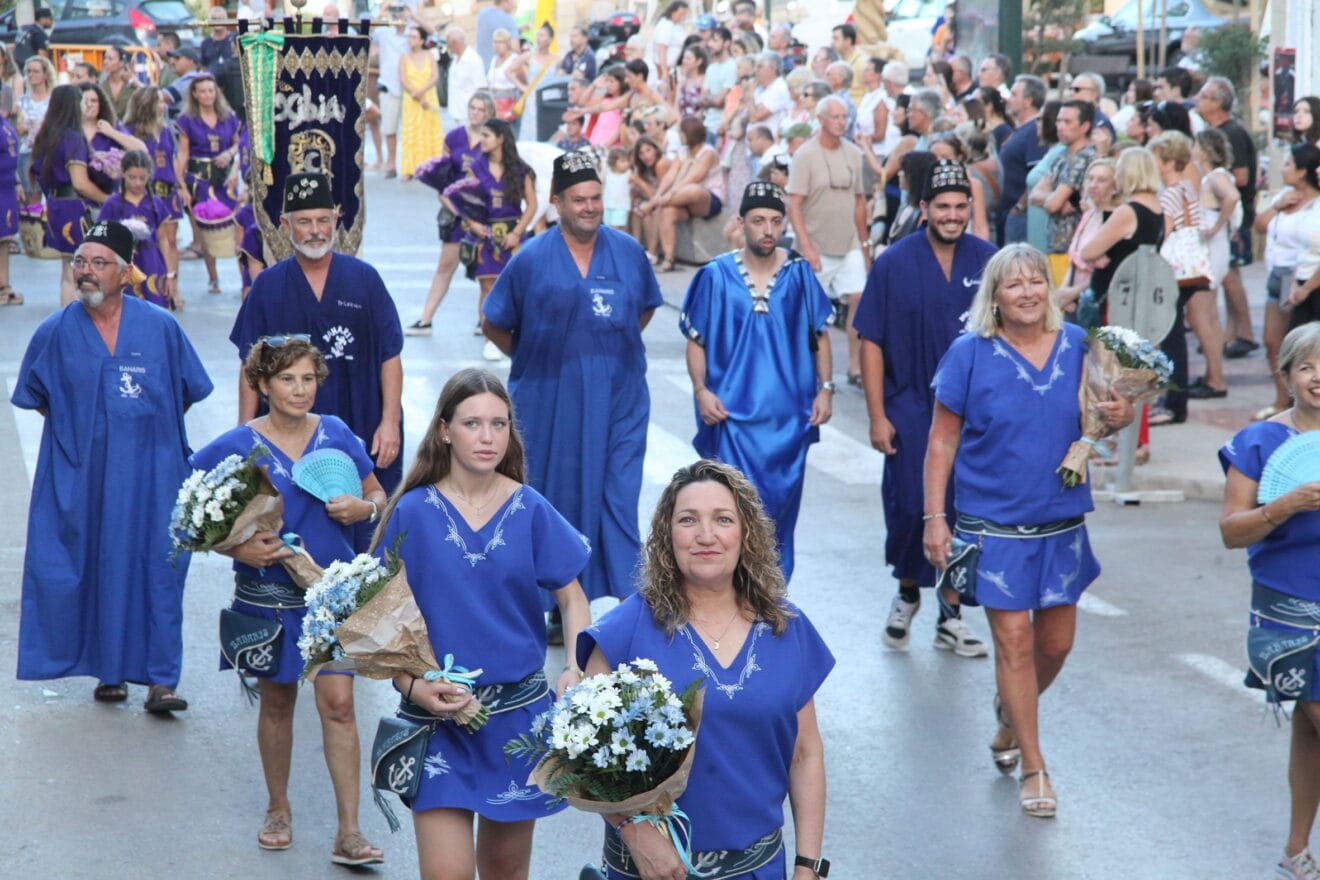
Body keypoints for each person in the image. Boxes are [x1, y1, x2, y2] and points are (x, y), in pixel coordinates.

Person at [924, 243, 1134, 818]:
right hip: (992, 527)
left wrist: (1120, 414)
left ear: (1049, 287)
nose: (1027, 293)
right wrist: (935, 517)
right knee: (1013, 644)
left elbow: (1107, 411)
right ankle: (1035, 766)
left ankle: (1009, 716)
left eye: (1036, 282)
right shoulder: (970, 353)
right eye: (1013, 285)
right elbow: (941, 440)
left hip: (1061, 522)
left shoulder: (1078, 345)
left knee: (1056, 645)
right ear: (994, 294)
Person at [373, 369, 589, 880]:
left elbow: (573, 598)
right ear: (445, 430)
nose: (488, 436)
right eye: (473, 423)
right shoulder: (412, 512)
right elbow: (380, 625)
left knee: (504, 875)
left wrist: (576, 669)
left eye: (499, 423)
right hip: (436, 721)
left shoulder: (532, 509)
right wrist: (412, 685)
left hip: (517, 722)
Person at [578, 459, 832, 880]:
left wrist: (809, 866)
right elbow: (581, 756)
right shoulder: (626, 629)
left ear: (745, 532)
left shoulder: (787, 629)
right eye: (688, 520)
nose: (706, 536)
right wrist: (637, 834)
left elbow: (805, 754)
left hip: (757, 869)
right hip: (652, 871)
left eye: (723, 519)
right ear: (667, 534)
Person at [191, 337, 386, 867]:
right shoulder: (238, 445)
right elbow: (191, 517)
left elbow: (379, 495)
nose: (299, 390)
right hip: (269, 598)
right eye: (286, 379)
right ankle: (278, 809)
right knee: (277, 702)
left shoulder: (338, 434)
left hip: (332, 595)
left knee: (340, 706)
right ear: (261, 385)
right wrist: (237, 545)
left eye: (307, 378)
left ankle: (350, 831)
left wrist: (361, 508)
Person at [11, 220, 213, 711]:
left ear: (125, 274)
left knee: (158, 570)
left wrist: (145, 432)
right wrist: (86, 432)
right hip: (83, 478)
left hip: (153, 476)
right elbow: (36, 397)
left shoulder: (160, 327)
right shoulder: (55, 331)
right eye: (81, 262)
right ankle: (110, 672)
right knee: (94, 565)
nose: (86, 272)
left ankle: (162, 680)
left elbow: (184, 391)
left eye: (98, 263)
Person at [482, 152, 663, 625]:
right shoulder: (531, 259)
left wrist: (604, 352)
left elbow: (642, 310)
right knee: (553, 502)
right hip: (548, 404)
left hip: (620, 402)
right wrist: (536, 359)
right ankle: (560, 605)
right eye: (579, 199)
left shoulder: (626, 252)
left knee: (619, 499)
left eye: (597, 198)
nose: (589, 207)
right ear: (556, 202)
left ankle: (633, 612)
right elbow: (495, 322)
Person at [854, 159, 996, 657]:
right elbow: (869, 339)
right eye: (943, 207)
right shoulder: (895, 262)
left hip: (974, 412)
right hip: (911, 404)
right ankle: (910, 589)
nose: (953, 215)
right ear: (924, 209)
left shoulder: (989, 261)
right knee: (911, 505)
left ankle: (951, 615)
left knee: (964, 510)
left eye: (961, 206)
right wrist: (877, 414)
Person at [231, 173, 404, 550]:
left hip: (362, 422)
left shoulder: (364, 280)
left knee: (370, 532)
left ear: (337, 218)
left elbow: (390, 353)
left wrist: (390, 421)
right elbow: (249, 367)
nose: (315, 231)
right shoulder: (268, 286)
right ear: (285, 224)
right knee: (292, 531)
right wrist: (245, 432)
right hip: (287, 433)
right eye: (305, 221)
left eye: (323, 220)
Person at [679, 181, 834, 581]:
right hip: (731, 420)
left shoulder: (799, 274)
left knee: (779, 519)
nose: (768, 229)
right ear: (741, 222)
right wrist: (701, 391)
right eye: (758, 220)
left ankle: (770, 602)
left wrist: (826, 389)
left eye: (775, 221)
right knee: (729, 514)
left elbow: (820, 336)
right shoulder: (716, 276)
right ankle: (728, 596)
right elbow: (697, 339)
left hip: (788, 424)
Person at [1219, 322, 1320, 880]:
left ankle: (1296, 849)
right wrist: (1285, 506)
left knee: (1310, 732)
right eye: (1306, 366)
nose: (1318, 377)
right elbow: (1232, 531)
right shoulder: (1259, 442)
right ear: (1285, 377)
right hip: (1289, 613)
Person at [443, 118, 537, 360]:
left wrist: (518, 232)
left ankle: (521, 336)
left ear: (500, 138)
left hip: (514, 234)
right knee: (488, 287)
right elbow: (461, 200)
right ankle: (490, 339)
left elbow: (532, 204)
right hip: (486, 236)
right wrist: (473, 224)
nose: (480, 140)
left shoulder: (520, 169)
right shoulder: (475, 167)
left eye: (486, 135)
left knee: (520, 288)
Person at [787, 96, 867, 384]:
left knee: (859, 297)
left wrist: (865, 244)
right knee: (810, 311)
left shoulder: (854, 154)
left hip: (849, 243)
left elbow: (860, 202)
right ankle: (806, 366)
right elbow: (794, 204)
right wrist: (806, 246)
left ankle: (855, 366)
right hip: (816, 244)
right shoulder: (805, 154)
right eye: (835, 116)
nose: (840, 122)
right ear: (820, 119)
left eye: (844, 117)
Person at [406, 92, 494, 336]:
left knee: (486, 271)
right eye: (472, 107)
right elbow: (442, 177)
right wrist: (455, 206)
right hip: (456, 212)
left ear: (488, 114)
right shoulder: (454, 137)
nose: (475, 113)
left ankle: (485, 321)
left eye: (480, 109)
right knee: (445, 266)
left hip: (484, 213)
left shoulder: (493, 139)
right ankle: (426, 319)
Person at [1252, 145, 1320, 421]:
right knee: (1276, 341)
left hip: (1310, 284)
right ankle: (1286, 401)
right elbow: (1260, 225)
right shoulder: (1284, 197)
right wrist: (1278, 205)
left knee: (1307, 347)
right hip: (1287, 276)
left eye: (1289, 163)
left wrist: (1305, 287)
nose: (1283, 167)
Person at [1195, 77, 1260, 359]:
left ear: (1217, 102)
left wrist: (1219, 221)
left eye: (1203, 95)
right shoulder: (1218, 130)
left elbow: (1241, 178)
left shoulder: (1230, 132)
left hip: (1233, 220)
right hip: (1228, 219)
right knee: (1227, 276)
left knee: (1230, 276)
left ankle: (1244, 332)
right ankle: (1229, 333)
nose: (1197, 99)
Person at [29, 84, 110, 305]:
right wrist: (108, 199)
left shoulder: (46, 136)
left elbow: (36, 174)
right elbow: (80, 183)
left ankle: (66, 318)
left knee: (68, 271)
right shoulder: (73, 138)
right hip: (74, 208)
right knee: (82, 271)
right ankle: (77, 321)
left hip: (55, 205)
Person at [175, 73, 241, 294]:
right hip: (199, 180)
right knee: (204, 229)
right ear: (195, 93)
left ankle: (244, 279)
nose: (207, 95)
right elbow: (182, 155)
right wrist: (181, 185)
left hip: (224, 179)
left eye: (211, 90)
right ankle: (213, 278)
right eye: (202, 91)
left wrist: (229, 153)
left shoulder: (228, 116)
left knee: (236, 226)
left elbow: (239, 144)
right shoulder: (188, 121)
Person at [97, 148, 178, 309]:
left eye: (142, 178)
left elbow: (163, 240)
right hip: (122, 265)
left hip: (152, 262)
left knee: (155, 309)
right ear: (123, 174)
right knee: (123, 310)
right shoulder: (112, 204)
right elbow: (102, 240)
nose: (137, 183)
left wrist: (170, 275)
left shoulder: (155, 204)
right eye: (132, 177)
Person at [642, 116, 723, 272]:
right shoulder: (683, 152)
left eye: (682, 133)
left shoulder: (708, 152)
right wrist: (659, 194)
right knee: (667, 211)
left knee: (693, 189)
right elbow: (670, 176)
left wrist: (660, 199)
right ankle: (668, 259)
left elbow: (694, 177)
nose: (679, 136)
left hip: (707, 199)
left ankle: (652, 206)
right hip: (681, 199)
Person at [1030, 99, 1094, 286]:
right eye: (1059, 121)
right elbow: (1036, 195)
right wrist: (1053, 199)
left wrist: (1054, 200)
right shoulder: (1061, 156)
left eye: (1067, 122)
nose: (1060, 127)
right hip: (1055, 248)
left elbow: (1053, 204)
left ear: (1084, 126)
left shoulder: (1084, 158)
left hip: (1074, 250)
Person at [122, 85, 184, 265]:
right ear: (147, 104)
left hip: (168, 191)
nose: (163, 105)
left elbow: (173, 158)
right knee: (143, 241)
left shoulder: (166, 129)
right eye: (159, 100)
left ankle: (172, 286)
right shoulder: (130, 131)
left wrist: (180, 186)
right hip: (142, 191)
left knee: (170, 241)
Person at [999, 75, 1048, 244]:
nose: (1008, 99)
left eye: (1014, 95)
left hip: (1021, 218)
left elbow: (1038, 173)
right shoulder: (1020, 130)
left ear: (1028, 101)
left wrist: (1020, 206)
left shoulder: (1035, 131)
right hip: (1008, 214)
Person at [398, 24, 443, 179]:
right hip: (411, 99)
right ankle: (410, 168)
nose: (410, 40)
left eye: (414, 37)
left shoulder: (429, 55)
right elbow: (403, 79)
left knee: (430, 130)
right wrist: (416, 94)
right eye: (409, 36)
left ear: (422, 40)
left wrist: (422, 93)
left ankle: (431, 167)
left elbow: (435, 76)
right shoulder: (404, 57)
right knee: (412, 131)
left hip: (428, 97)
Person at [372, 6, 410, 178]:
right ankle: (391, 163)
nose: (398, 15)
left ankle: (409, 164)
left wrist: (413, 16)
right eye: (396, 12)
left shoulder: (412, 32)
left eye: (400, 11)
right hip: (388, 85)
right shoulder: (384, 32)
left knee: (410, 128)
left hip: (410, 87)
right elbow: (368, 27)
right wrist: (383, 12)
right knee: (389, 128)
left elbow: (431, 33)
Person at [512, 22, 558, 142]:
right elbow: (509, 71)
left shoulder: (557, 59)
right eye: (538, 35)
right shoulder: (528, 56)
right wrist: (522, 87)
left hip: (550, 98)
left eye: (542, 35)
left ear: (550, 39)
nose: (538, 39)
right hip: (533, 98)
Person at [16, 55, 54, 197]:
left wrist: (33, 126)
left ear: (45, 74)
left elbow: (53, 125)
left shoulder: (53, 99)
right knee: (31, 195)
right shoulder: (23, 100)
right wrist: (38, 125)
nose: (31, 75)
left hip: (49, 151)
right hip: (27, 151)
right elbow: (20, 127)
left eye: (36, 71)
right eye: (29, 71)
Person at [444, 26, 488, 132]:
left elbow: (482, 88)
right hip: (455, 112)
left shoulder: (473, 60)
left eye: (448, 43)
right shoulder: (455, 59)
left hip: (468, 115)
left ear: (454, 43)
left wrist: (477, 113)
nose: (447, 47)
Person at [0, 109, 21, 305]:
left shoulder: (3, 122)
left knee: (4, 239)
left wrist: (17, 182)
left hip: (6, 188)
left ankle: (4, 285)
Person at [650, 0, 690, 84]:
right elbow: (662, 49)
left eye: (684, 15)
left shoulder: (676, 26)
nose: (682, 17)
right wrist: (664, 72)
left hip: (673, 68)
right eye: (680, 14)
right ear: (673, 12)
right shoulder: (666, 25)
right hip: (663, 68)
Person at [99, 45, 139, 122]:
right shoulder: (102, 85)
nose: (105, 62)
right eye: (105, 58)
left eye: (110, 59)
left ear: (121, 63)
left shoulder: (132, 84)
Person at [475, 0, 518, 71]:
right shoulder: (508, 19)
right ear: (505, 1)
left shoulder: (482, 14)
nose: (514, 4)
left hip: (480, 68)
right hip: (498, 69)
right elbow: (515, 48)